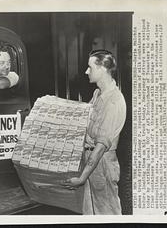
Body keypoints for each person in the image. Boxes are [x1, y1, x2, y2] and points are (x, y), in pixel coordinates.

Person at [61, 50, 127, 215]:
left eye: (90, 67)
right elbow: (85, 119)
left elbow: (100, 147)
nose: (86, 71)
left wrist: (82, 177)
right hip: (90, 160)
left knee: (107, 213)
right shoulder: (98, 94)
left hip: (102, 163)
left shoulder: (113, 101)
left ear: (103, 69)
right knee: (89, 212)